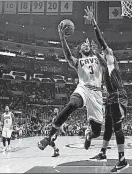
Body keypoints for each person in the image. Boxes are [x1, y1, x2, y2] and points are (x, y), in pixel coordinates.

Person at [37, 21, 104, 151]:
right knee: (72, 104)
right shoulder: (78, 61)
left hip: (97, 94)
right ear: (79, 50)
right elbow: (68, 56)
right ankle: (49, 137)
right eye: (83, 45)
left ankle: (88, 135)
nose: (86, 45)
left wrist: (97, 53)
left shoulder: (97, 58)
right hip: (83, 89)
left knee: (96, 132)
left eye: (87, 44)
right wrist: (62, 38)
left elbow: (106, 66)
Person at [84, 6, 129, 173]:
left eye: (105, 53)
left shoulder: (112, 61)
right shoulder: (105, 68)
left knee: (117, 126)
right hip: (111, 97)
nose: (104, 53)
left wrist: (94, 23)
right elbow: (98, 59)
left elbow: (102, 41)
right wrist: (92, 52)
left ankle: (122, 159)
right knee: (108, 127)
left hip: (118, 95)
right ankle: (103, 153)